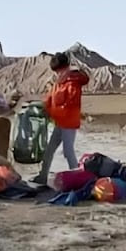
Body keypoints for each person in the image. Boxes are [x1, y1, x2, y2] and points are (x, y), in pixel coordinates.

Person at [32, 53, 89, 185]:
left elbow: (70, 104)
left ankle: (77, 178)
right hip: (60, 122)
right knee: (49, 150)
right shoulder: (59, 83)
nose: (58, 74)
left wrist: (52, 112)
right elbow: (51, 99)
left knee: (68, 151)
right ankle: (42, 176)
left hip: (68, 123)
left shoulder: (72, 83)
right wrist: (43, 108)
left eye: (59, 71)